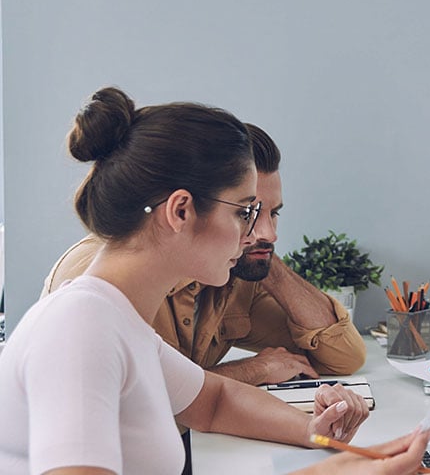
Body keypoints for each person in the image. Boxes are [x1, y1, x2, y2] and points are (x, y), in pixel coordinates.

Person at [0, 88, 428, 475]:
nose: (255, 235)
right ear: (181, 211)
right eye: (244, 211)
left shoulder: (118, 320)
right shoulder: (82, 327)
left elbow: (214, 403)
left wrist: (316, 433)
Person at [42, 123, 367, 386]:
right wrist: (254, 371)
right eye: (246, 212)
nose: (270, 232)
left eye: (273, 213)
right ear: (183, 210)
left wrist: (260, 254)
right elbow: (140, 400)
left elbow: (344, 357)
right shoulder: (101, 284)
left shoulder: (232, 271)